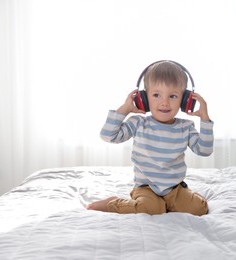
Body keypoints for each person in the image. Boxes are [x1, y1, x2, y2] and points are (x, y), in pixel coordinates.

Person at [87, 61, 214, 216]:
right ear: (144, 99)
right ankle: (113, 203)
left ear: (185, 100)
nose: (165, 102)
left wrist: (205, 119)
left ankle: (182, 199)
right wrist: (125, 110)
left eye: (173, 96)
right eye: (156, 95)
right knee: (151, 209)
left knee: (199, 209)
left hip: (175, 188)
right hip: (146, 188)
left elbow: (204, 151)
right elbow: (108, 136)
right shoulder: (139, 123)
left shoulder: (186, 127)